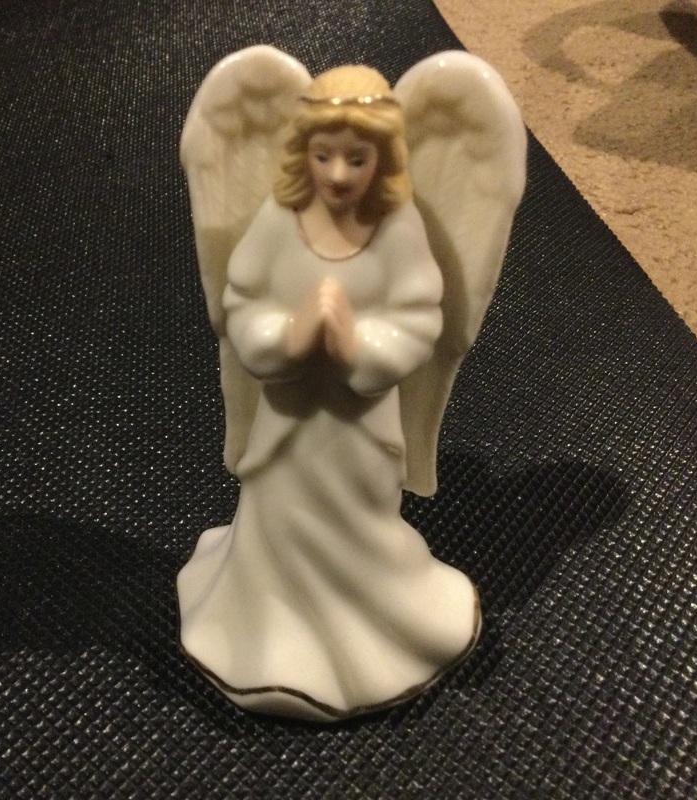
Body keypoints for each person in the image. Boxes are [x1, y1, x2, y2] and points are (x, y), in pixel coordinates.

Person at [176, 65, 480, 722]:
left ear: (382, 158)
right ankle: (267, 634)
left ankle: (372, 633)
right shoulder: (279, 218)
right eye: (323, 156)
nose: (338, 175)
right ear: (302, 152)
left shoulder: (397, 226)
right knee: (277, 517)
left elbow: (420, 317)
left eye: (356, 158)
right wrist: (288, 337)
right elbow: (241, 302)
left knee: (356, 520)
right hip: (287, 421)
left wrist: (353, 344)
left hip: (356, 426)